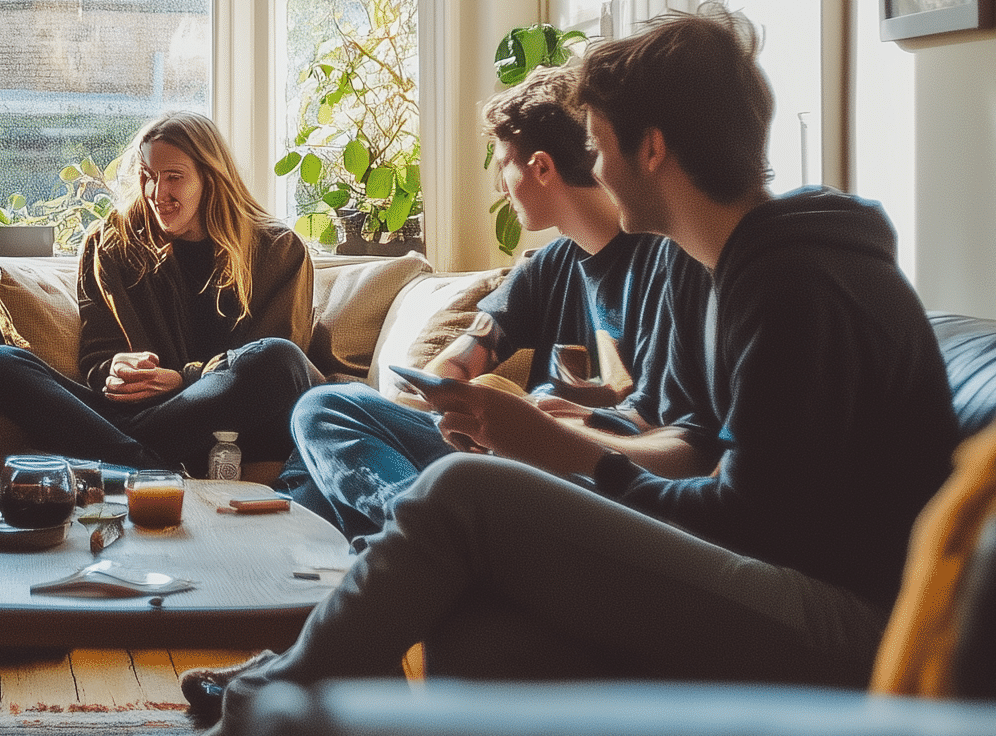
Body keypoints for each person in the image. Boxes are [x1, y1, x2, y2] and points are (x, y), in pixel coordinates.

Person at [174, 8, 960, 736]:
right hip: (770, 571)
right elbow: (704, 460)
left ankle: (269, 705)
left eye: (600, 143)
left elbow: (745, 520)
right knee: (483, 615)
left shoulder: (795, 285)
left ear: (651, 148)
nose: (594, 166)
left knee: (463, 494)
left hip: (848, 624)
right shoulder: (738, 268)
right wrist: (556, 452)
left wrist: (564, 451)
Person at [280, 67, 715, 538]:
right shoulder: (547, 266)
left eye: (503, 163)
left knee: (320, 435)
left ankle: (425, 536)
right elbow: (462, 359)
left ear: (541, 168)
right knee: (323, 412)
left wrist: (549, 426)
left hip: (587, 472)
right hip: (506, 455)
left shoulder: (670, 261)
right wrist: (452, 398)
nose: (498, 187)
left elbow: (675, 440)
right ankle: (427, 531)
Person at [0, 112, 324, 472]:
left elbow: (267, 358)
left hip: (229, 427)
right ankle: (142, 463)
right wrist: (114, 368)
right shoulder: (112, 242)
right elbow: (97, 352)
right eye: (148, 176)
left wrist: (185, 379)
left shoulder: (278, 249)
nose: (157, 193)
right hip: (141, 415)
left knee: (281, 359)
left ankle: (118, 458)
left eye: (174, 177)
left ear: (210, 178)